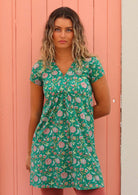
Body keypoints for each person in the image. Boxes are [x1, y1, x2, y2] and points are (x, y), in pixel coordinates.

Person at [26, 6, 111, 195]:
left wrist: (76, 116)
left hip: (81, 145)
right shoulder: (40, 69)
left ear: (76, 33)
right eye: (57, 29)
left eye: (68, 29)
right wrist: (30, 152)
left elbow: (105, 107)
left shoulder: (90, 65)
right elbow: (35, 114)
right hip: (48, 145)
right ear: (50, 33)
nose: (62, 34)